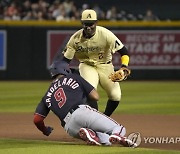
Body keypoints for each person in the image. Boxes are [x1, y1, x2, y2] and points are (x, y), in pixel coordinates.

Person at [33, 61, 137, 147]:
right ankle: (119, 135)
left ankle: (90, 134)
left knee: (106, 141)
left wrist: (45, 130)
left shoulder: (46, 96)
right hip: (81, 112)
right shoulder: (74, 77)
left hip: (70, 128)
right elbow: (95, 96)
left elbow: (37, 119)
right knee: (119, 128)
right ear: (65, 70)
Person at [52, 9, 131, 116]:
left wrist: (124, 67)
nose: (88, 27)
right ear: (82, 23)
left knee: (115, 96)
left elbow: (124, 51)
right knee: (91, 92)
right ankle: (95, 119)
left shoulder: (105, 34)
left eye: (91, 24)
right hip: (87, 65)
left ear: (96, 23)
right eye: (86, 24)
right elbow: (65, 61)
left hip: (105, 65)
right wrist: (60, 75)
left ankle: (105, 118)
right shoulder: (75, 39)